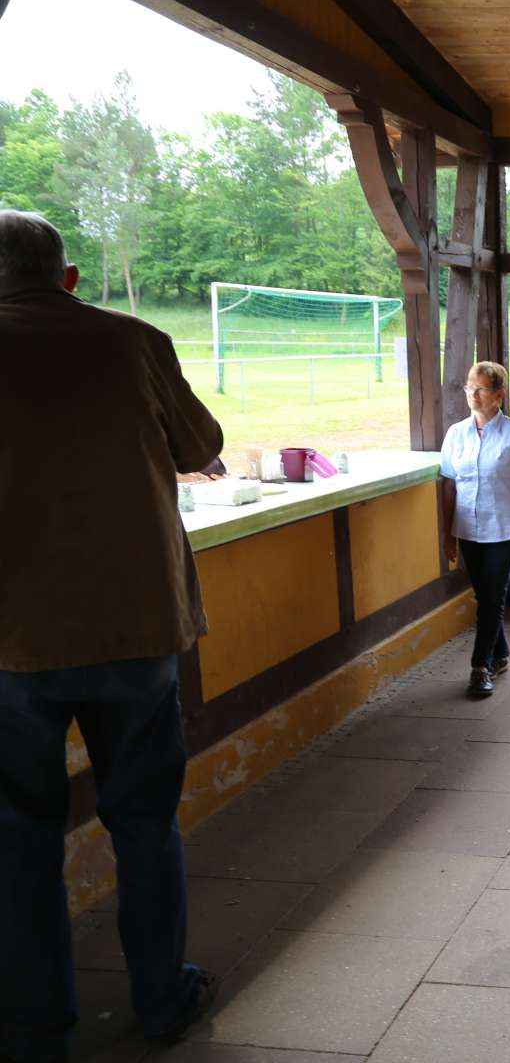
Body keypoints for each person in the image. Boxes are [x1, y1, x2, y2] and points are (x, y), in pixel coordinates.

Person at [0, 209, 223, 1061]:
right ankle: (163, 1001)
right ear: (67, 278)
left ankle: (34, 1029)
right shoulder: (134, 342)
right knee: (144, 824)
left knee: (19, 843)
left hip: (12, 641)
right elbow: (201, 443)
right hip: (135, 627)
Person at [439, 361, 510, 697]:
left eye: (481, 389)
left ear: (499, 394)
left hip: (504, 529)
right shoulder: (456, 434)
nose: (473, 394)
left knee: (492, 598)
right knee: (484, 596)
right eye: (470, 387)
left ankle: (480, 666)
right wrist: (446, 534)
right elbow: (448, 485)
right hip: (468, 529)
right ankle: (499, 653)